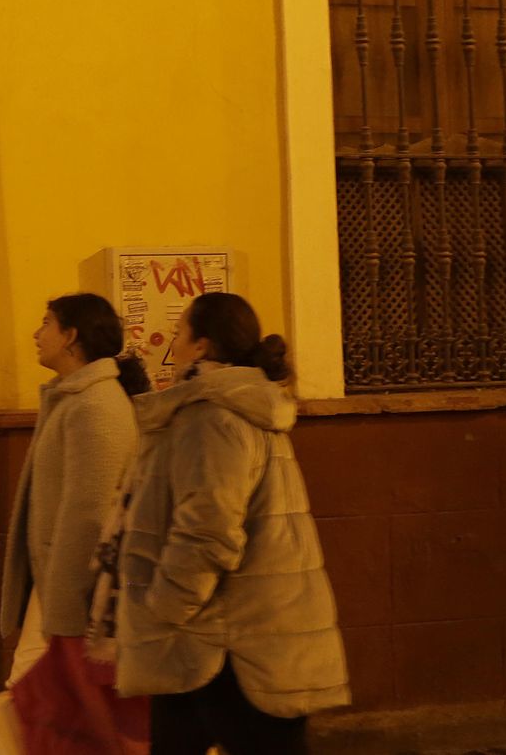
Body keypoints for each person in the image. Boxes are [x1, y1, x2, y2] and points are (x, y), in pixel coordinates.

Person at [108, 293, 349, 755]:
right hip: (224, 641)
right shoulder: (233, 408)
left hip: (227, 645)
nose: (173, 344)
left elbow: (209, 528)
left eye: (179, 333)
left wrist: (165, 605)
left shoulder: (214, 415)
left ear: (201, 346)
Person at [0, 294, 149, 753]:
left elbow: (89, 518)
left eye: (46, 323)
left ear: (71, 336)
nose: (37, 334)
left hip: (69, 596)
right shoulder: (75, 398)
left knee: (37, 709)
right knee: (37, 709)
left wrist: (63, 620)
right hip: (56, 587)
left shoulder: (95, 407)